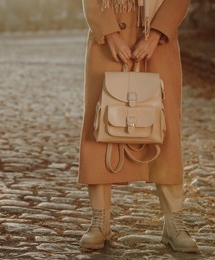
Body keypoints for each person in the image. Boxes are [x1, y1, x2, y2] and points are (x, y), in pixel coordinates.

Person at [78, 0, 198, 253]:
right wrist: (110, 34)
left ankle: (174, 222)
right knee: (102, 126)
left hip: (159, 44)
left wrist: (156, 34)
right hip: (107, 43)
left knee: (165, 129)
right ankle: (100, 222)